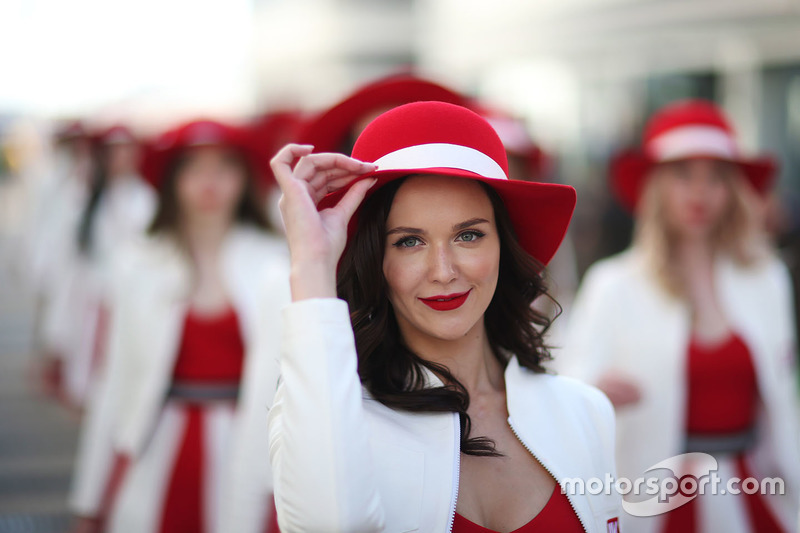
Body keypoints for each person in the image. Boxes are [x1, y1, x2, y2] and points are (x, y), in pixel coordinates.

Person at [268, 101, 621, 532]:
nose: (443, 271)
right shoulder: (333, 416)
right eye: (409, 242)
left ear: (503, 248)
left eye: (468, 235)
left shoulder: (585, 412)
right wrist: (312, 265)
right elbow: (329, 525)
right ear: (375, 260)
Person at [561, 99, 800, 533]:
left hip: (754, 491)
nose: (699, 192)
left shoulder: (767, 279)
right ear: (655, 186)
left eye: (716, 177)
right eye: (683, 175)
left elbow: (783, 398)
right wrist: (594, 394)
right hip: (652, 496)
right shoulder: (613, 284)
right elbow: (570, 387)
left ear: (734, 190)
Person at [69, 119, 289, 533]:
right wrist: (88, 501)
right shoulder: (138, 262)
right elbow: (114, 380)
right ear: (172, 180)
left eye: (225, 165)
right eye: (193, 167)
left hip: (251, 444)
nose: (210, 181)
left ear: (245, 178)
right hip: (161, 442)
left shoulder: (276, 260)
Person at [40, 125, 156, 408]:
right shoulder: (90, 194)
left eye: (126, 151)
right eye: (114, 152)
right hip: (93, 290)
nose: (121, 158)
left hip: (128, 293)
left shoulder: (145, 197)